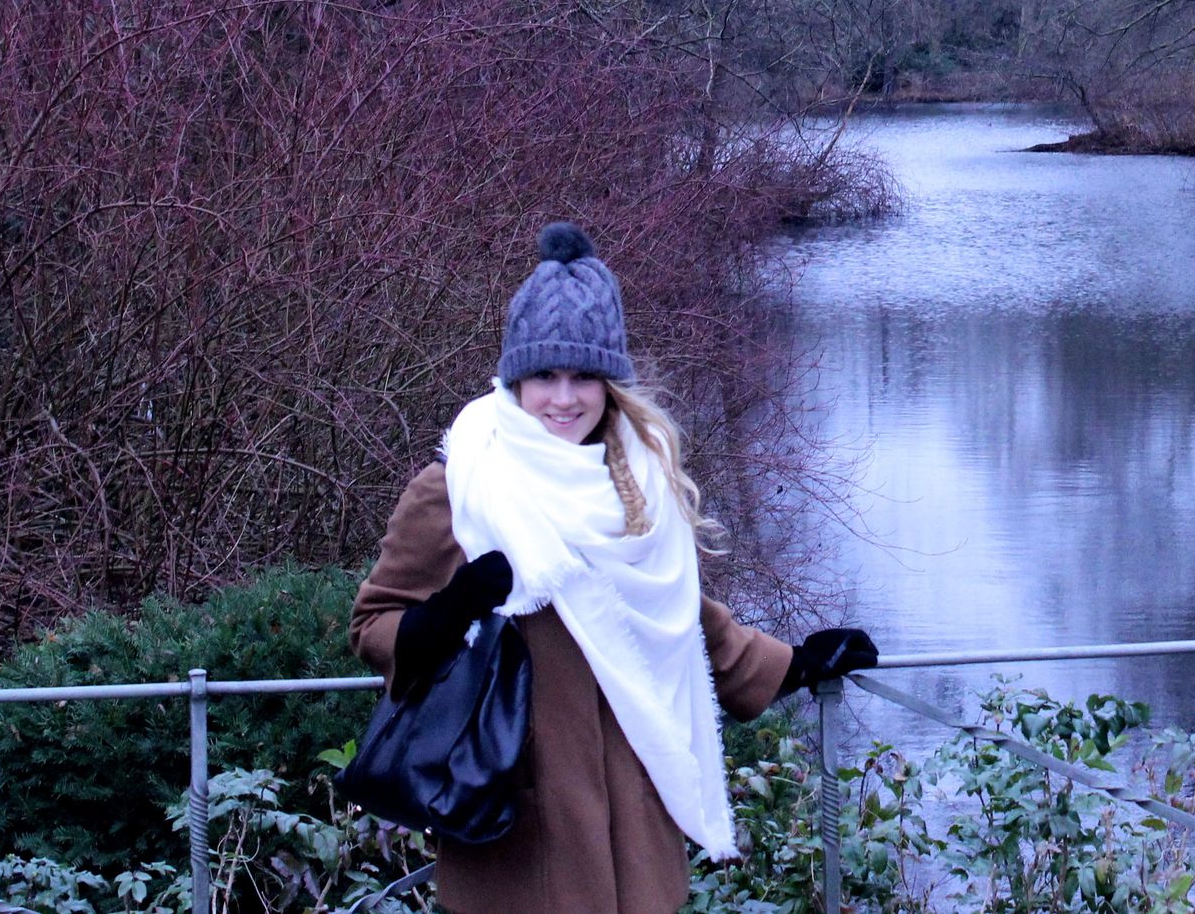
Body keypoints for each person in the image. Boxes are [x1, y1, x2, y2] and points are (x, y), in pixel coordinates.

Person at [352, 222, 878, 914]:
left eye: (583, 376)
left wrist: (794, 664)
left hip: (632, 828)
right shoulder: (460, 484)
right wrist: (448, 612)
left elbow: (668, 613)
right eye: (544, 374)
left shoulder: (636, 478)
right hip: (520, 833)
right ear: (515, 379)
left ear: (609, 384)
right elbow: (373, 625)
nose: (563, 397)